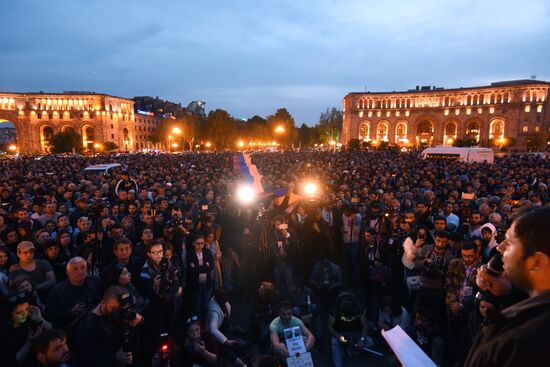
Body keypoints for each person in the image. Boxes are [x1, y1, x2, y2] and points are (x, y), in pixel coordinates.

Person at [465, 207, 550, 366]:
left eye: (510, 242)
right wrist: (507, 294)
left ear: (537, 262)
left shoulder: (518, 342)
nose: (500, 247)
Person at [72, 286, 143, 367]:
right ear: (103, 302)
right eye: (113, 307)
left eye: (120, 308)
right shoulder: (88, 325)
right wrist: (115, 357)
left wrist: (138, 320)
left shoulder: (118, 313)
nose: (117, 311)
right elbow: (84, 359)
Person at [45, 257, 101, 329]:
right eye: (75, 269)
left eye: (82, 267)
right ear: (67, 272)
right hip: (72, 327)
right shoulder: (58, 291)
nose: (80, 272)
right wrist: (70, 312)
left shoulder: (96, 282)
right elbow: (49, 314)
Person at [0, 292, 53, 367]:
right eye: (19, 312)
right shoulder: (4, 332)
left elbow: (51, 330)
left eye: (26, 309)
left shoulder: (30, 319)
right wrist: (29, 342)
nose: (24, 314)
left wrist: (40, 319)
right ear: (9, 314)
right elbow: (13, 362)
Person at [328, 292, 372, 367]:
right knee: (334, 341)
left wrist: (361, 339)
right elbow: (329, 326)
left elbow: (365, 326)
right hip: (340, 332)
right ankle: (338, 364)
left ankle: (351, 351)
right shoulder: (335, 309)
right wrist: (337, 335)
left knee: (369, 341)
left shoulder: (358, 308)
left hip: (354, 332)